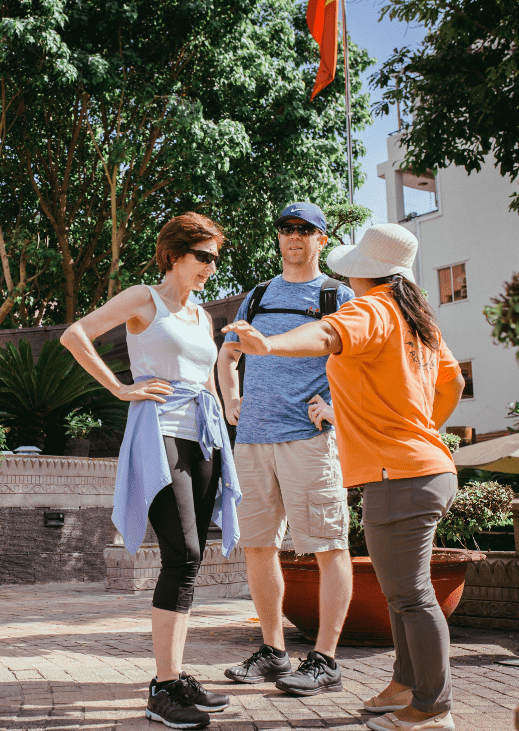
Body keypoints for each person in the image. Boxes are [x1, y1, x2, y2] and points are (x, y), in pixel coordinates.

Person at [223, 223, 465, 731]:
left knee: (413, 596)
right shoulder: (417, 319)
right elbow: (454, 379)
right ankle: (404, 684)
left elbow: (327, 333)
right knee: (403, 591)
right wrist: (420, 428)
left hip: (400, 475)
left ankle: (431, 708)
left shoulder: (372, 308)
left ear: (364, 272)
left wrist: (267, 345)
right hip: (422, 469)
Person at [61, 212, 240, 730]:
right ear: (174, 255)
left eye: (214, 258)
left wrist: (226, 433)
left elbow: (206, 379)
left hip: (203, 436)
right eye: (202, 256)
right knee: (181, 552)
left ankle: (175, 676)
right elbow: (76, 334)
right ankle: (161, 688)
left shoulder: (202, 316)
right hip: (158, 434)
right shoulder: (145, 298)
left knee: (189, 560)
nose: (209, 266)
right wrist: (121, 388)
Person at [217, 202, 355, 694]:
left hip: (308, 439)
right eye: (286, 228)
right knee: (258, 546)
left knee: (327, 546)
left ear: (321, 238)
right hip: (253, 440)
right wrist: (230, 395)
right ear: (278, 237)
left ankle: (325, 660)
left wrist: (335, 408)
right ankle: (274, 652)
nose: (294, 236)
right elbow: (229, 352)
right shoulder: (256, 296)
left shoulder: (337, 294)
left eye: (305, 229)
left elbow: (360, 360)